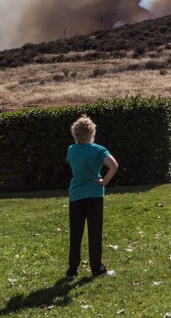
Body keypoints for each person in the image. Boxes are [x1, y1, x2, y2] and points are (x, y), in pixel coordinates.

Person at [66, 115, 118, 280]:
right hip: (94, 195)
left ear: (75, 133)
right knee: (94, 232)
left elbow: (72, 164)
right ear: (92, 132)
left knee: (76, 233)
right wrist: (104, 181)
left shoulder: (71, 150)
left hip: (75, 196)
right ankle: (97, 269)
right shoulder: (98, 149)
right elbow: (114, 165)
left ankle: (72, 270)